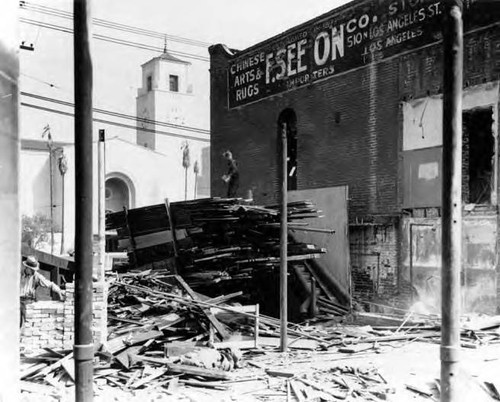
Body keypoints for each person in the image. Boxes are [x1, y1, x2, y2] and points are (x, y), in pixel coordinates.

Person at [20, 255, 65, 328]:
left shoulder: (36, 276)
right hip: (17, 301)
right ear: (27, 267)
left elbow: (49, 284)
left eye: (34, 269)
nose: (33, 271)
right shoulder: (19, 274)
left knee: (28, 325)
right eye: (31, 269)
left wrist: (59, 291)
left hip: (29, 301)